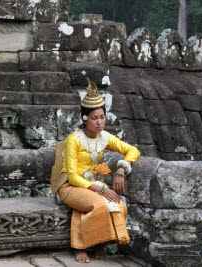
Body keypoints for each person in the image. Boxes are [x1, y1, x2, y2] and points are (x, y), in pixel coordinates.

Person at [50, 78, 140, 263]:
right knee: (98, 204)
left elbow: (133, 150)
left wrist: (121, 170)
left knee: (119, 205)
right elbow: (73, 177)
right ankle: (79, 246)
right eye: (94, 118)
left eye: (102, 117)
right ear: (84, 119)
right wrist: (101, 189)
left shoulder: (105, 137)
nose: (99, 122)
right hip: (69, 186)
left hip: (91, 183)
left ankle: (99, 242)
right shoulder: (73, 139)